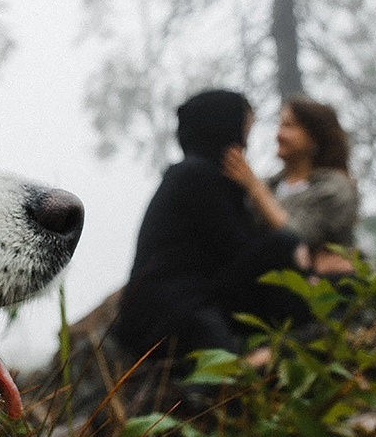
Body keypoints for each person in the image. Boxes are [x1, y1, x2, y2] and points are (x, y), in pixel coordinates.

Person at [108, 89, 311, 366]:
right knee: (282, 246)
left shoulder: (200, 177)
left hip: (190, 299)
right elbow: (239, 249)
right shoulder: (195, 177)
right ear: (224, 131)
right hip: (169, 311)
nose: (244, 147)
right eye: (243, 134)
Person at [222, 96, 359, 276]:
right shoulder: (271, 185)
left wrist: (254, 188)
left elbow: (296, 238)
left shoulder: (334, 189)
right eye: (280, 125)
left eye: (289, 126)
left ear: (315, 137)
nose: (279, 134)